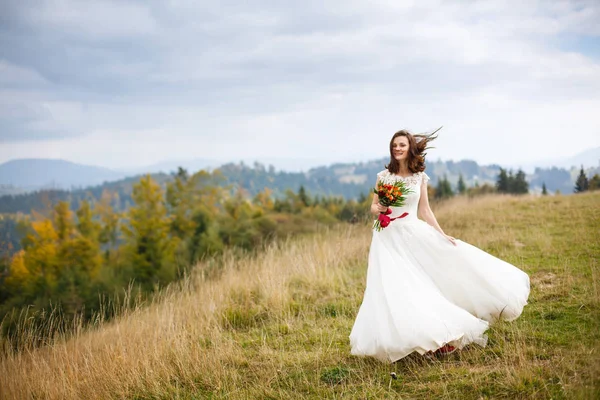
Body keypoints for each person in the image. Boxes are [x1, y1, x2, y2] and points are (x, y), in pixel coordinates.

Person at [349, 129, 530, 362]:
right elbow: (374, 206)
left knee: (420, 282)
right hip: (386, 236)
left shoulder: (419, 177)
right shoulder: (383, 176)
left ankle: (437, 334)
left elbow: (425, 210)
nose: (398, 148)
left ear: (410, 148)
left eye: (402, 145)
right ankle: (403, 337)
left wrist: (442, 234)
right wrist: (379, 209)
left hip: (412, 233)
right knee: (392, 286)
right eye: (395, 145)